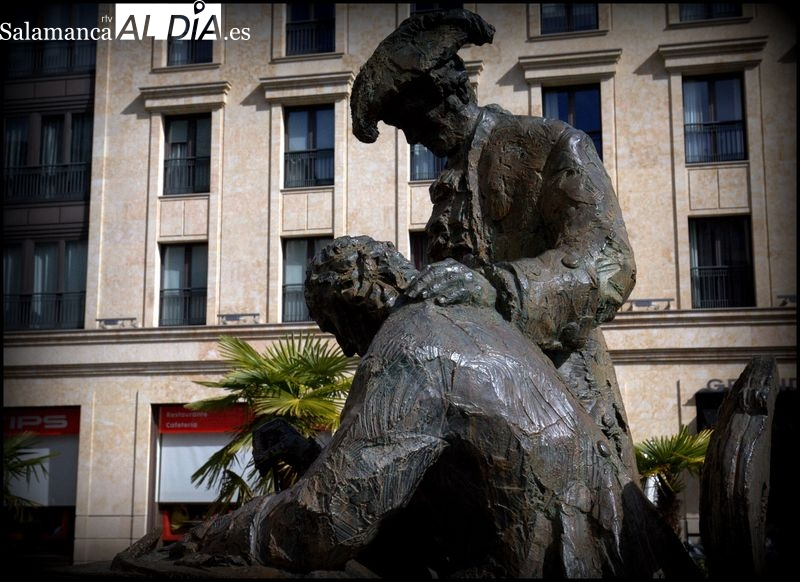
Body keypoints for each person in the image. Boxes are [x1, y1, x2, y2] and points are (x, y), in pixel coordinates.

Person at [176, 236, 698, 579]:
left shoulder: (412, 344)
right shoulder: (481, 325)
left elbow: (331, 523)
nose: (350, 352)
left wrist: (212, 532)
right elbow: (405, 510)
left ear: (356, 311)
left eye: (340, 333)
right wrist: (312, 458)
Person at [350, 8, 639, 475]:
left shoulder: (550, 145)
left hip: (563, 409)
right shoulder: (450, 184)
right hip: (477, 414)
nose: (412, 140)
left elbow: (608, 261)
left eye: (412, 121)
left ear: (449, 91)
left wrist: (497, 290)